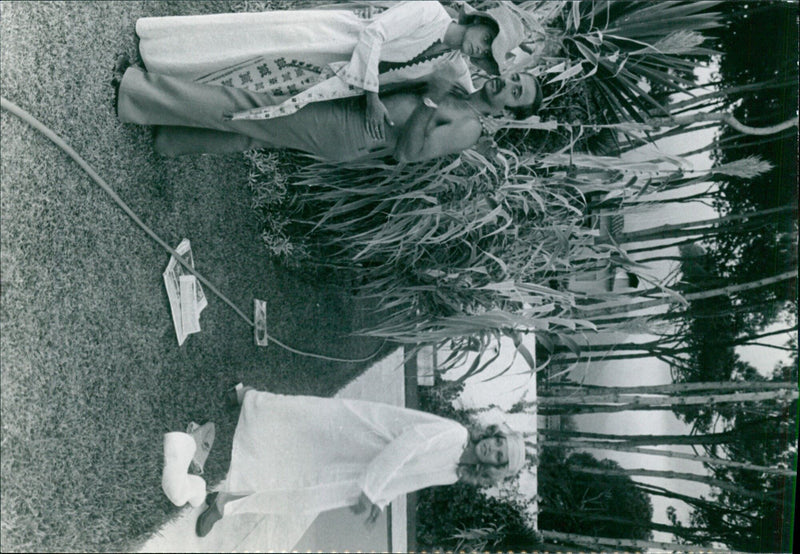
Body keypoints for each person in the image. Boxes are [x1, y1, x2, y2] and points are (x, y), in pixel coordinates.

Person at [134, 2, 526, 140]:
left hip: (336, 76)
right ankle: (160, 51)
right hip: (329, 38)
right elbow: (375, 33)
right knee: (252, 45)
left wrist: (497, 112)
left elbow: (471, 94)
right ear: (479, 21)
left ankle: (160, 83)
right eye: (485, 38)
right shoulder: (429, 11)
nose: (479, 49)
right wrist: (372, 98)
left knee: (248, 82)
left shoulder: (452, 65)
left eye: (487, 54)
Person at [194, 385, 528, 537]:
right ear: (493, 434)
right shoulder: (456, 435)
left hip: (362, 471)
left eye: (500, 457)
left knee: (300, 492)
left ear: (495, 470)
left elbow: (407, 479)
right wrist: (372, 488)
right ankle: (250, 399)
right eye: (498, 442)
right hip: (364, 434)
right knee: (303, 421)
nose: (493, 450)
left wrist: (378, 499)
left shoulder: (455, 473)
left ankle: (225, 503)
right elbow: (406, 444)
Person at [114, 63, 542, 163]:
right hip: (351, 109)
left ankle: (135, 93)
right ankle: (168, 138)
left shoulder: (467, 126)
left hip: (354, 132)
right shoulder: (464, 89)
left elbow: (410, 154)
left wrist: (430, 100)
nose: (509, 84)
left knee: (253, 111)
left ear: (509, 113)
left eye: (517, 93)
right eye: (515, 77)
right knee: (257, 132)